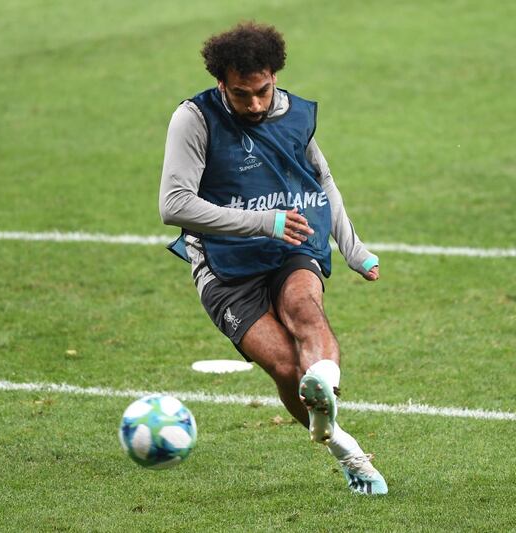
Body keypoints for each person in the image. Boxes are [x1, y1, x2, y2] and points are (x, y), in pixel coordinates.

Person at [158, 21, 387, 495]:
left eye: (263, 90)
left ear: (275, 76)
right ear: (222, 84)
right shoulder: (194, 118)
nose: (256, 105)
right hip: (223, 264)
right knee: (284, 365)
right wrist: (265, 222)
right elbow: (173, 205)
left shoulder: (295, 116)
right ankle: (342, 444)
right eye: (242, 95)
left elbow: (320, 182)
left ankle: (322, 386)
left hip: (290, 245)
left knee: (305, 307)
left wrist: (352, 246)